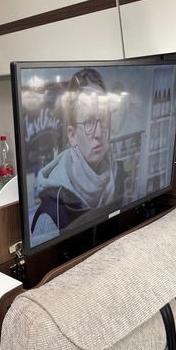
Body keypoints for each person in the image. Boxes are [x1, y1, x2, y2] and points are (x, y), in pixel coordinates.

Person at [30, 68, 126, 247]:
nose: (99, 133)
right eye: (89, 122)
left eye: (103, 119)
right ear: (72, 135)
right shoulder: (50, 215)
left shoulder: (118, 181)